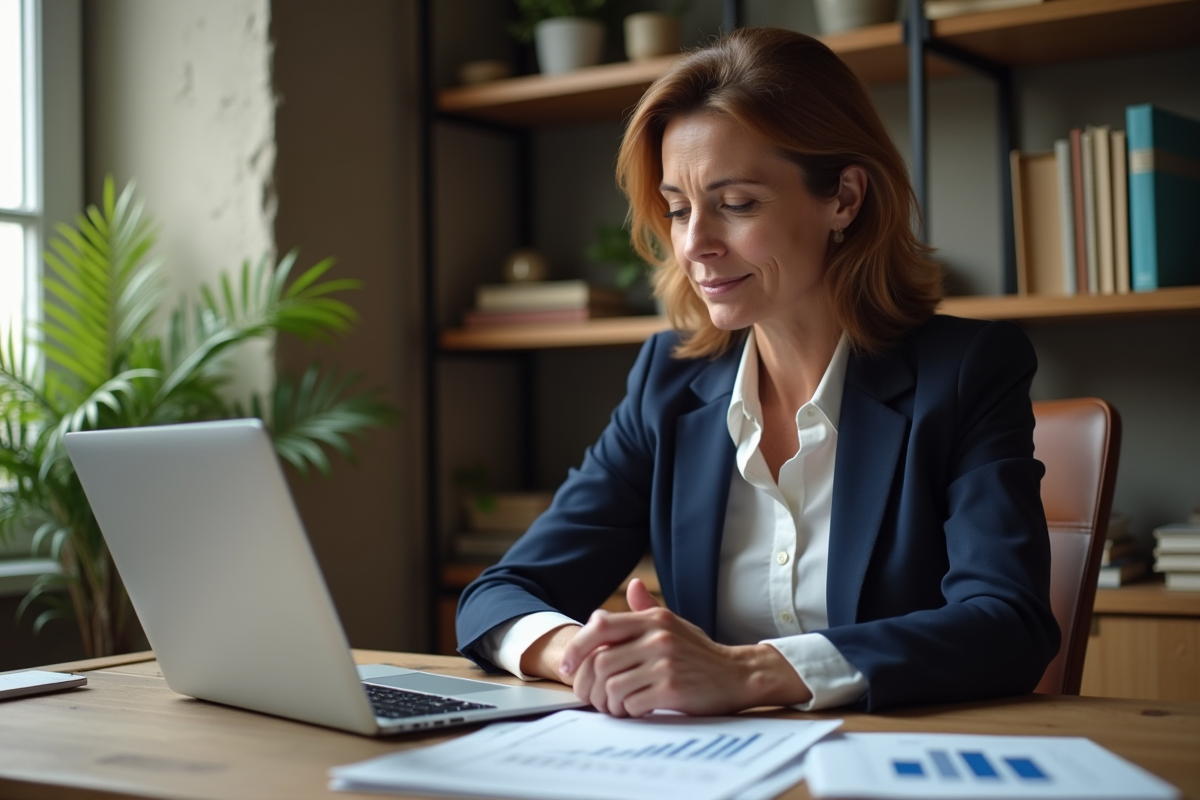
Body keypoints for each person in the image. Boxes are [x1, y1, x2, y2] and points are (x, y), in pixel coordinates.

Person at [456, 26, 1059, 716]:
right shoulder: (668, 383)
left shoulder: (966, 373)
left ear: (845, 199)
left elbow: (1010, 624)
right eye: (678, 209)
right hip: (710, 770)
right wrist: (586, 657)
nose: (694, 245)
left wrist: (749, 672)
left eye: (736, 205)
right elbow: (497, 597)